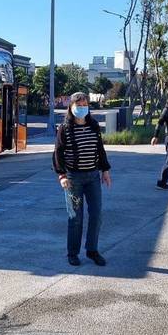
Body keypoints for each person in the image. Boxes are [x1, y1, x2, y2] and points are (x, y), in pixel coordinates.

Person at [52, 92, 112, 267]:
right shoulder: (65, 128)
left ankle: (92, 250)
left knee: (96, 214)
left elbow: (99, 149)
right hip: (73, 179)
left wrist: (105, 170)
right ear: (71, 107)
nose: (82, 107)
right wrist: (61, 175)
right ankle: (72, 253)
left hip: (93, 176)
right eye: (79, 104)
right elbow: (58, 153)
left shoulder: (93, 125)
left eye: (85, 104)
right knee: (75, 217)